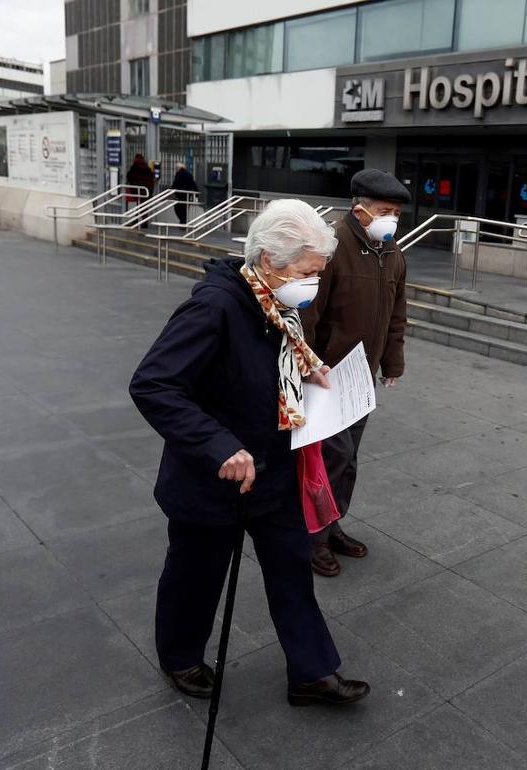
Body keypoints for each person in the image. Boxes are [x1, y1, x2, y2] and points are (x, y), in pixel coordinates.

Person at [130, 198, 369, 707]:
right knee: (196, 577)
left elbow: (270, 361)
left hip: (275, 470)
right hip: (213, 479)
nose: (314, 284)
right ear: (268, 261)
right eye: (308, 273)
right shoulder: (214, 307)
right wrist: (220, 445)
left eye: (319, 274)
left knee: (291, 570)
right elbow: (154, 385)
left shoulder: (277, 305)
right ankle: (180, 656)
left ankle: (312, 671)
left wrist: (307, 371)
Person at [300, 168, 410, 577]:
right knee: (331, 457)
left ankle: (330, 526)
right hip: (327, 374)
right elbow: (307, 313)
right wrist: (310, 364)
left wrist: (392, 363)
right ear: (359, 208)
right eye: (386, 210)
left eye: (397, 213)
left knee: (348, 460)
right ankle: (311, 538)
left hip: (361, 378)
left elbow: (397, 314)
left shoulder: (393, 252)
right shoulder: (332, 247)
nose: (392, 220)